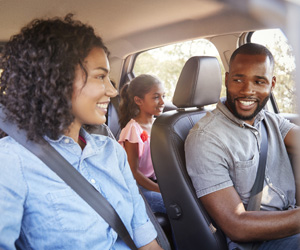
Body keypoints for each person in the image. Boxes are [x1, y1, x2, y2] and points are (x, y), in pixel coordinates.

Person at [0, 15, 163, 250]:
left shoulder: (111, 151)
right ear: (57, 79)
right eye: (100, 76)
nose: (113, 91)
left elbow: (144, 235)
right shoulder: (11, 161)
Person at [185, 43, 300, 250]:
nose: (247, 91)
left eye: (259, 81)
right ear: (227, 79)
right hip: (258, 242)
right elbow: (237, 225)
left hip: (289, 222)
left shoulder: (270, 120)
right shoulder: (206, 138)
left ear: (272, 84)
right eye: (238, 80)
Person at [118, 74, 166, 214]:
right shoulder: (133, 130)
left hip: (155, 182)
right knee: (176, 203)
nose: (162, 102)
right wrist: (160, 190)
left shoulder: (159, 125)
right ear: (138, 101)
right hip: (138, 187)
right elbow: (133, 172)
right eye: (156, 97)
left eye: (164, 96)